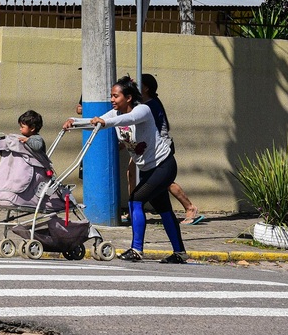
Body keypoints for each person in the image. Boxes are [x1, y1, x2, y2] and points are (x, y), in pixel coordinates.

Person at [64, 76, 188, 264]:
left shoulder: (143, 110)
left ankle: (136, 250)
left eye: (116, 96)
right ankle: (180, 253)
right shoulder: (114, 114)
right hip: (147, 168)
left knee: (135, 200)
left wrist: (105, 122)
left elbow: (128, 119)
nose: (112, 100)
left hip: (163, 165)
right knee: (163, 208)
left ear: (128, 98)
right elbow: (95, 122)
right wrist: (74, 122)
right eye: (111, 96)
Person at [141, 74, 203, 225]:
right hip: (151, 147)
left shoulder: (151, 105)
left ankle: (190, 207)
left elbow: (153, 129)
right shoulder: (146, 103)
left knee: (165, 181)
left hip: (160, 147)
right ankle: (136, 210)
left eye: (138, 84)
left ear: (146, 88)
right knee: (139, 176)